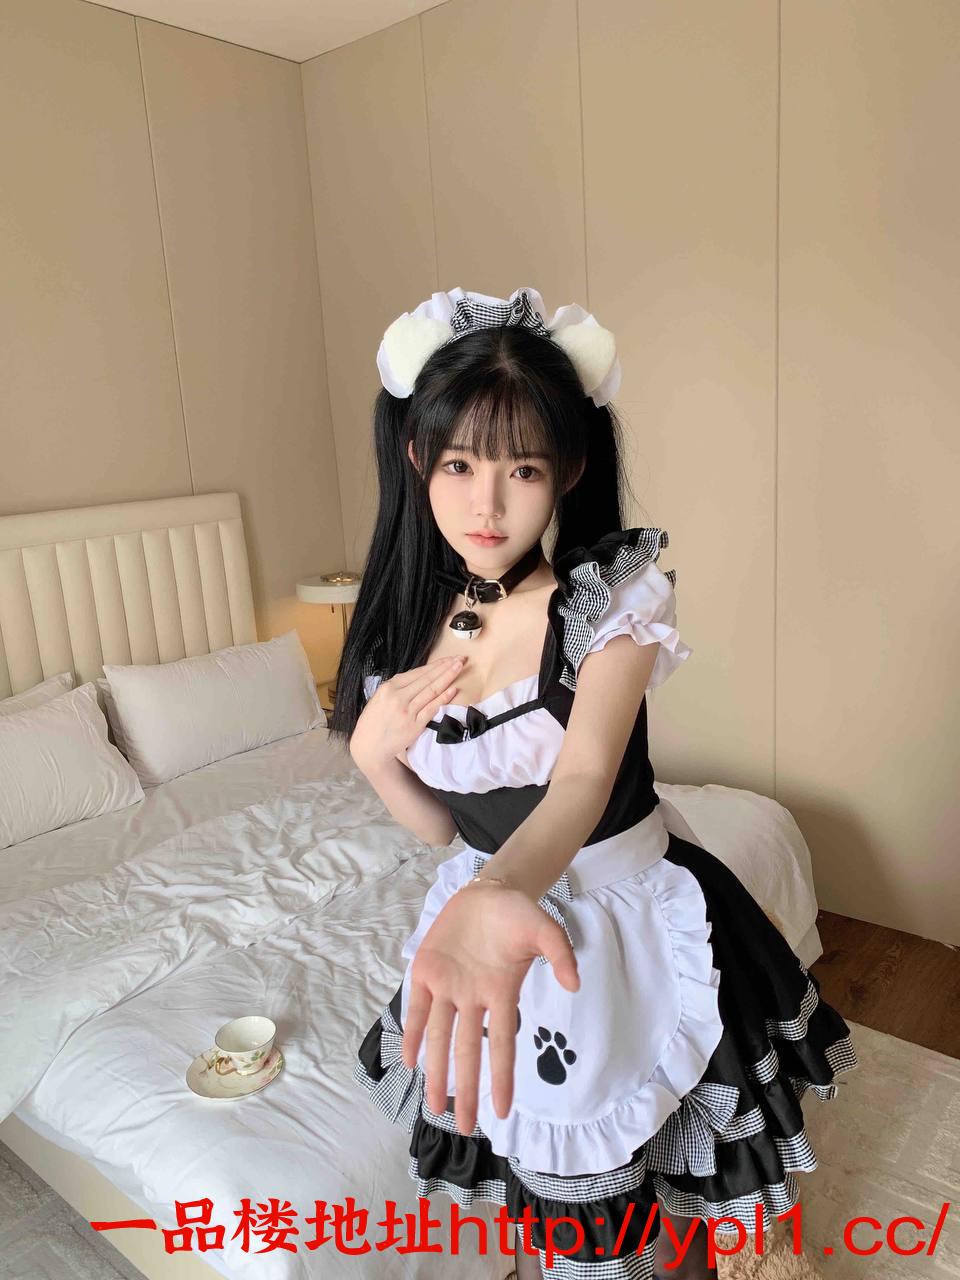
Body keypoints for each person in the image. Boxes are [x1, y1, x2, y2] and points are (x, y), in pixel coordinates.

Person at [327, 286, 859, 1280]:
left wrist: (498, 889)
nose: (487, 506)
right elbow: (441, 829)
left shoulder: (609, 602)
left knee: (675, 1170)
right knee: (566, 1191)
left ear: (568, 470)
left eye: (522, 469)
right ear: (416, 456)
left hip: (621, 915)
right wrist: (372, 755)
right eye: (459, 464)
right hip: (492, 920)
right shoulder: (405, 618)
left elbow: (580, 782)